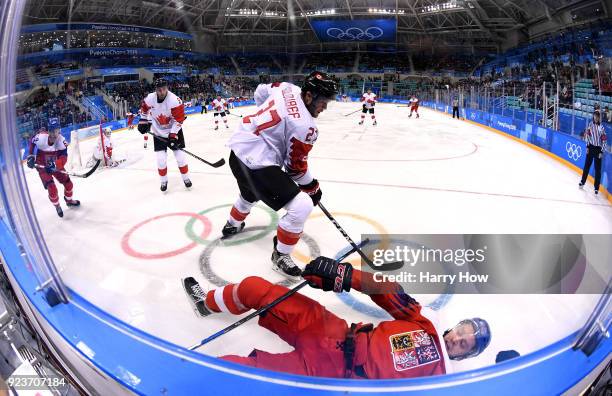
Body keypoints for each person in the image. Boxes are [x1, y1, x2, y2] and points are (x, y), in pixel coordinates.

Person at [183, 256, 491, 378]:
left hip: (330, 375)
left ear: (464, 357)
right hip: (333, 330)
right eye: (463, 330)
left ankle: (180, 379)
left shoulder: (440, 381)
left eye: (465, 345)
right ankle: (207, 304)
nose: (458, 339)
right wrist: (344, 275)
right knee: (253, 288)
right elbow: (388, 290)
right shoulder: (429, 323)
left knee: (234, 374)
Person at [223, 71, 338, 279]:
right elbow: (295, 168)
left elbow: (260, 92)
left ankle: (232, 224)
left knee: (251, 192)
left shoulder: (287, 87)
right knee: (301, 205)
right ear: (309, 96)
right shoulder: (307, 127)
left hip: (237, 151)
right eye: (323, 102)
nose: (324, 107)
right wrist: (312, 188)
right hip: (257, 163)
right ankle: (281, 255)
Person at [138, 78, 192, 192]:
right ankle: (163, 181)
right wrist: (143, 121)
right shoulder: (149, 99)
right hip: (158, 132)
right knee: (160, 159)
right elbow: (144, 110)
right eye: (159, 90)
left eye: (163, 89)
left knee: (180, 157)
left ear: (167, 88)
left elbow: (179, 120)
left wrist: (173, 135)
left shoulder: (175, 101)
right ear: (156, 90)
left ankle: (186, 178)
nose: (161, 92)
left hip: (174, 131)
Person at [26, 118, 80, 218]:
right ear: (48, 131)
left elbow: (64, 157)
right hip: (42, 165)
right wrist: (31, 156)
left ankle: (68, 201)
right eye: (52, 131)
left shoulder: (61, 141)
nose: (55, 134)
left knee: (69, 184)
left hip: (55, 164)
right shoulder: (41, 137)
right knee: (52, 188)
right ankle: (57, 205)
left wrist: (56, 164)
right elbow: (32, 142)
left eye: (57, 131)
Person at [579, 110, 607, 195]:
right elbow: (588, 136)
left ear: (599, 118)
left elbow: (604, 141)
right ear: (593, 116)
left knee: (597, 170)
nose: (596, 117)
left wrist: (602, 151)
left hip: (598, 149)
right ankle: (582, 182)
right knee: (586, 166)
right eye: (595, 115)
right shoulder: (590, 125)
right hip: (590, 148)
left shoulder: (601, 128)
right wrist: (587, 146)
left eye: (597, 116)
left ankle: (596, 188)